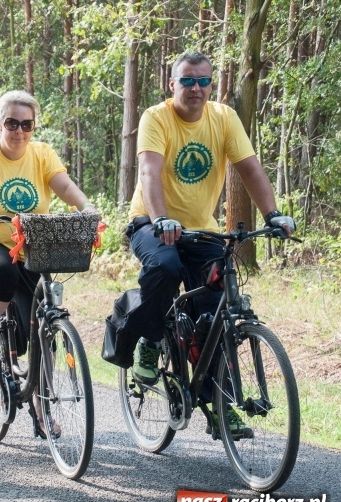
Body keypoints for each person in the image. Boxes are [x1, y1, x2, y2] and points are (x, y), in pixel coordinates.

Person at [126, 51, 295, 437]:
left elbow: (249, 168)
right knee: (165, 267)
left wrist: (272, 214)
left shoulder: (223, 117)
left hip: (203, 230)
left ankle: (220, 405)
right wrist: (160, 219)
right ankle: (150, 339)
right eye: (187, 80)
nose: (196, 88)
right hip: (152, 222)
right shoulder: (157, 117)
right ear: (173, 84)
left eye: (203, 81)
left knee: (214, 312)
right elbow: (149, 171)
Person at [0, 89, 98, 438]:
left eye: (26, 124)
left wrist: (86, 208)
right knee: (0, 272)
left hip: (34, 248)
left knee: (43, 326)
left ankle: (40, 406)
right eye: (11, 123)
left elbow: (63, 186)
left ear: (33, 126)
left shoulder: (42, 154)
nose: (19, 131)